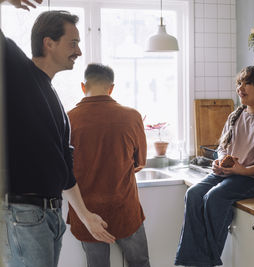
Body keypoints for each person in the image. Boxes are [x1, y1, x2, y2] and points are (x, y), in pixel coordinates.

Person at [0, 2, 116, 267]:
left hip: (49, 214)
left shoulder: (52, 96)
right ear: (49, 43)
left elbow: (63, 166)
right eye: (73, 42)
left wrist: (85, 215)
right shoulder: (19, 73)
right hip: (23, 213)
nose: (79, 51)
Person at [175, 66, 254, 267]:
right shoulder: (235, 116)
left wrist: (243, 170)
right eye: (239, 83)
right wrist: (220, 162)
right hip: (229, 175)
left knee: (215, 196)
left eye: (248, 83)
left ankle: (207, 261)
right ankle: (192, 260)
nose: (241, 87)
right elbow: (223, 148)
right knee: (193, 194)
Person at [67, 63, 150, 267]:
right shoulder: (132, 116)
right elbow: (140, 162)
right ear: (111, 88)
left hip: (87, 212)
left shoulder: (68, 119)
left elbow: (64, 169)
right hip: (124, 209)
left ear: (82, 86)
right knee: (139, 262)